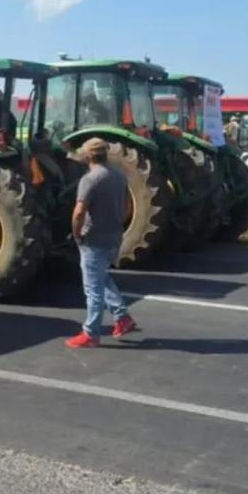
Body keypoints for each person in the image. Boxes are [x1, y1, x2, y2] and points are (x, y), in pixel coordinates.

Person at [66, 138, 137, 348]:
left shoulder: (90, 180)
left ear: (87, 156)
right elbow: (125, 207)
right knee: (102, 277)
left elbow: (79, 211)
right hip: (114, 236)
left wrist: (76, 233)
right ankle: (122, 316)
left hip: (93, 238)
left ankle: (91, 333)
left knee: (92, 288)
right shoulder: (118, 176)